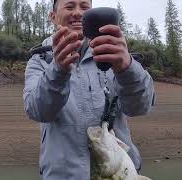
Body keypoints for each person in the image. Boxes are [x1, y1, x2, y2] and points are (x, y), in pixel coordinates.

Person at [23, 0, 155, 179]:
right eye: (70, 7)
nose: (78, 13)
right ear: (53, 17)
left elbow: (140, 107)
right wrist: (58, 70)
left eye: (85, 7)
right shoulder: (39, 61)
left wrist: (127, 68)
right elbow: (37, 110)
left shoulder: (113, 55)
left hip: (120, 173)